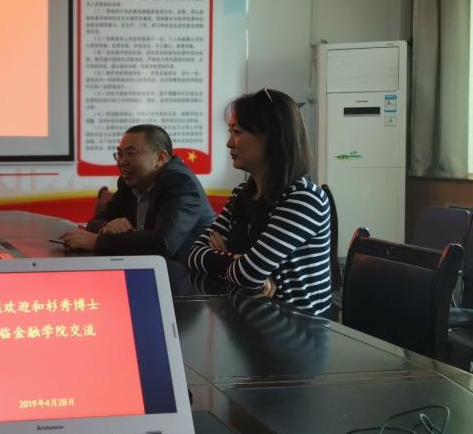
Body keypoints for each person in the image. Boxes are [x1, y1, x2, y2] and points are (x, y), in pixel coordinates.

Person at [187, 88, 332, 315]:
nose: (229, 143)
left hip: (298, 327)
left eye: (237, 132)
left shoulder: (304, 199)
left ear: (272, 137)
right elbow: (194, 253)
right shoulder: (241, 194)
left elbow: (248, 274)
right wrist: (238, 260)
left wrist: (231, 260)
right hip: (252, 316)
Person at [58, 125, 214, 262]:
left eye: (130, 153)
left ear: (161, 157)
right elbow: (95, 222)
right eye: (120, 154)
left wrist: (97, 242)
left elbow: (162, 243)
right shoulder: (130, 182)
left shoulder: (181, 183)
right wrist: (108, 228)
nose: (122, 162)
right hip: (151, 269)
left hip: (193, 276)